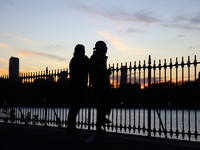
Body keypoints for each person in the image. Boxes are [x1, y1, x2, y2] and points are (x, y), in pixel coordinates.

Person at [89, 41, 112, 132]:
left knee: (103, 103)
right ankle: (100, 123)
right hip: (102, 84)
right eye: (105, 47)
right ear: (101, 47)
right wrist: (108, 72)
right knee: (104, 103)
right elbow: (100, 70)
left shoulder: (94, 57)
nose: (106, 49)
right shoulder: (100, 57)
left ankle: (101, 120)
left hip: (96, 83)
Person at [67, 44, 89, 130]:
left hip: (74, 85)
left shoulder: (73, 60)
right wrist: (87, 59)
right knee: (76, 105)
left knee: (74, 106)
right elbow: (88, 67)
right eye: (83, 49)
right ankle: (71, 125)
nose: (84, 51)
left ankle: (71, 124)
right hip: (79, 85)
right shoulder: (81, 59)